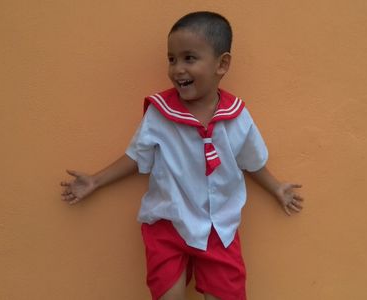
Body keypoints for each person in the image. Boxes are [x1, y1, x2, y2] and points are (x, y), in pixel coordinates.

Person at [60, 11, 304, 300]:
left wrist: (276, 187)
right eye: (172, 59)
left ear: (222, 64)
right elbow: (138, 157)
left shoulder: (237, 116)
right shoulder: (160, 113)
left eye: (189, 58)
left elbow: (251, 161)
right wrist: (95, 181)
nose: (177, 69)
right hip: (168, 223)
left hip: (219, 229)